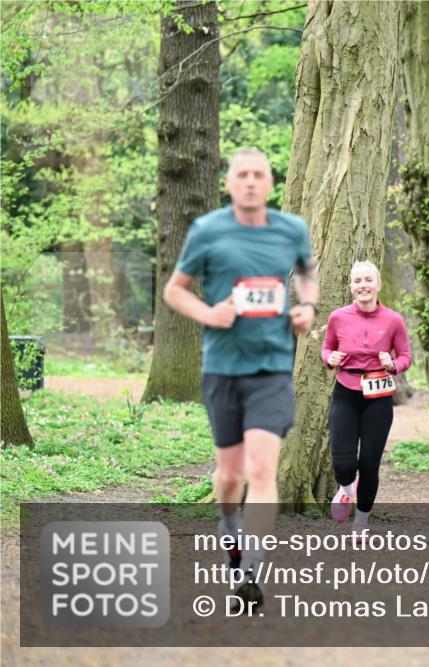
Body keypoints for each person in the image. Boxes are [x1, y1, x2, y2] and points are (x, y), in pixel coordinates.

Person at [164, 147, 318, 610]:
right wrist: (209, 313)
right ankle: (230, 533)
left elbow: (308, 276)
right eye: (242, 175)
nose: (250, 182)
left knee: (260, 469)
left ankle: (252, 568)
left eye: (259, 175)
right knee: (229, 478)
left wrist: (305, 308)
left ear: (270, 183)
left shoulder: (291, 229)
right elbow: (175, 291)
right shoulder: (207, 231)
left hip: (271, 368)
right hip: (222, 368)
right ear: (229, 183)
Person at [322, 261, 411, 542]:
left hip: (379, 396)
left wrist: (393, 364)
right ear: (351, 286)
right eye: (357, 280)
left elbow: (406, 356)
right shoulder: (338, 317)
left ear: (378, 285)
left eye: (368, 280)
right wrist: (330, 358)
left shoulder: (393, 320)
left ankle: (361, 520)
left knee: (369, 463)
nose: (363, 285)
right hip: (346, 390)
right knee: (343, 462)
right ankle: (347, 490)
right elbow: (327, 348)